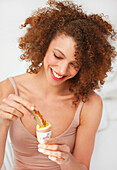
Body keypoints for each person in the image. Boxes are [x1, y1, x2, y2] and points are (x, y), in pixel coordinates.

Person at [0, 0, 117, 169]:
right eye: (58, 56)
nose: (62, 70)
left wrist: (66, 159)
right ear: (44, 45)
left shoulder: (89, 103)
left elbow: (83, 166)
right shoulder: (8, 90)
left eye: (74, 64)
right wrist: (2, 124)